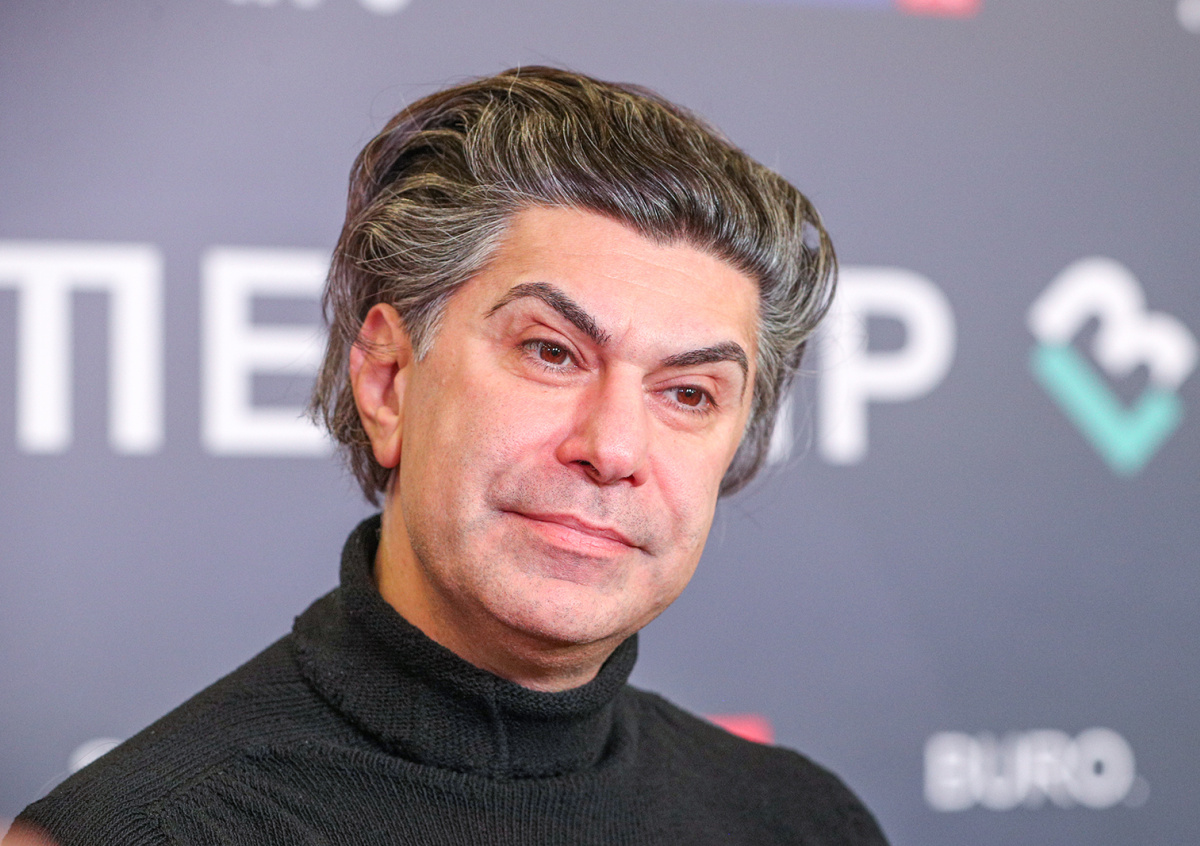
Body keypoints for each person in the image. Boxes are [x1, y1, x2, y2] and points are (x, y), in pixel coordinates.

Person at [8, 67, 888, 845]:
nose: (614, 447)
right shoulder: (141, 833)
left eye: (689, 393)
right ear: (388, 380)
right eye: (550, 351)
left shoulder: (804, 823)